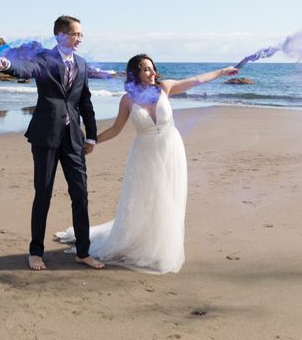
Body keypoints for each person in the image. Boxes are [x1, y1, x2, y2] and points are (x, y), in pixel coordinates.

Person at [56, 54, 238, 273]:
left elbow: (196, 80)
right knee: (147, 199)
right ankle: (142, 242)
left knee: (169, 196)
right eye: (145, 69)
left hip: (171, 150)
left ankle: (162, 246)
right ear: (135, 73)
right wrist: (92, 142)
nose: (152, 73)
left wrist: (221, 72)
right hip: (144, 154)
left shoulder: (164, 88)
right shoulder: (128, 100)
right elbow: (116, 129)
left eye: (152, 69)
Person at [0, 15, 105, 270]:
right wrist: (7, 64)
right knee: (43, 193)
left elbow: (85, 102)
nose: (79, 39)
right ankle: (35, 252)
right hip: (45, 135)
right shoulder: (45, 58)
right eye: (76, 34)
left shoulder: (82, 64)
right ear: (60, 35)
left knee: (80, 194)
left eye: (80, 35)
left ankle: (83, 251)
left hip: (73, 139)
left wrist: (91, 135)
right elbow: (26, 69)